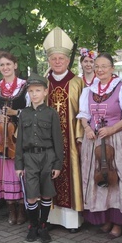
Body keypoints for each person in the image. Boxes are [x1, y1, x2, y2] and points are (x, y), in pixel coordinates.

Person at [77, 53, 122, 239]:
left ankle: (118, 221)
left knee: (118, 177)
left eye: (104, 66)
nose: (100, 70)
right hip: (94, 139)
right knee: (99, 177)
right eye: (97, 66)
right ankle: (104, 217)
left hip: (117, 138)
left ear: (112, 68)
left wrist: (112, 129)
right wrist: (87, 128)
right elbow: (83, 114)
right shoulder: (88, 90)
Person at [43, 27, 85, 232]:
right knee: (49, 172)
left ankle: (72, 221)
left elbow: (83, 112)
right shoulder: (43, 84)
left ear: (68, 61)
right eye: (54, 58)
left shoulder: (77, 83)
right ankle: (51, 218)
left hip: (70, 139)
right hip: (47, 140)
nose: (57, 62)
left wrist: (79, 136)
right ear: (49, 61)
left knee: (70, 171)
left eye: (61, 58)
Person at [15, 74, 64, 243]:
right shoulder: (24, 114)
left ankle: (43, 225)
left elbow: (58, 140)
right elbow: (20, 140)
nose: (34, 94)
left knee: (46, 194)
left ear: (45, 92)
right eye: (31, 91)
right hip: (29, 158)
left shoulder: (51, 114)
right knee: (31, 195)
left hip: (47, 156)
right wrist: (19, 164)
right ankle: (33, 225)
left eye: (38, 90)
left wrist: (58, 163)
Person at [0, 51, 28, 225]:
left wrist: (16, 113)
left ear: (15, 65)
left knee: (20, 169)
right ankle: (11, 209)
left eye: (8, 64)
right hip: (2, 135)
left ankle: (22, 208)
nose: (5, 67)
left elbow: (31, 109)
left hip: (20, 134)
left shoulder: (25, 86)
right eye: (2, 65)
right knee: (6, 171)